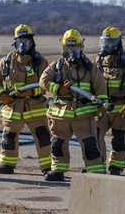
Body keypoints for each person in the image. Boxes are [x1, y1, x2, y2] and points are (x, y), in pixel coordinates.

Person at [39, 29, 108, 181]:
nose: (72, 52)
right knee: (57, 144)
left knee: (90, 145)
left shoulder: (90, 68)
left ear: (81, 47)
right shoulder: (56, 67)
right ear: (63, 48)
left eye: (75, 48)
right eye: (68, 48)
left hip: (83, 116)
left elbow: (100, 89)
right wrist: (58, 88)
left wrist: (101, 105)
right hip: (60, 115)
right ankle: (58, 171)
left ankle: (95, 173)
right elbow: (43, 81)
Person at [0, 24, 51, 175]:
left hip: (35, 106)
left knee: (43, 136)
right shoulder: (7, 61)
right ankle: (7, 165)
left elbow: (47, 83)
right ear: (15, 43)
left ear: (32, 42)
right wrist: (0, 93)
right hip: (12, 107)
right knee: (9, 137)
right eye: (20, 42)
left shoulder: (40, 62)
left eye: (26, 41)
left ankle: (47, 168)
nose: (23, 45)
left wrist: (32, 91)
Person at [95, 26, 125, 175]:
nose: (107, 45)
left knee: (119, 139)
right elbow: (92, 82)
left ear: (118, 43)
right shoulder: (98, 61)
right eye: (105, 42)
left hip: (121, 109)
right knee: (95, 138)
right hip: (102, 109)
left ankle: (116, 167)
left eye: (110, 42)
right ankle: (97, 166)